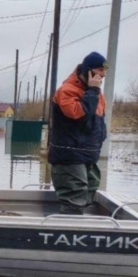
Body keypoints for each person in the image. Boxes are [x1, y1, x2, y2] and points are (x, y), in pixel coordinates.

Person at [48, 51, 108, 215]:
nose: (102, 75)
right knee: (74, 199)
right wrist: (93, 91)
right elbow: (78, 115)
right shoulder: (67, 90)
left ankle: (82, 225)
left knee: (90, 190)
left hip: (88, 155)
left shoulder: (96, 93)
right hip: (70, 156)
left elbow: (98, 122)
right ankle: (68, 227)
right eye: (99, 70)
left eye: (104, 71)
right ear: (88, 71)